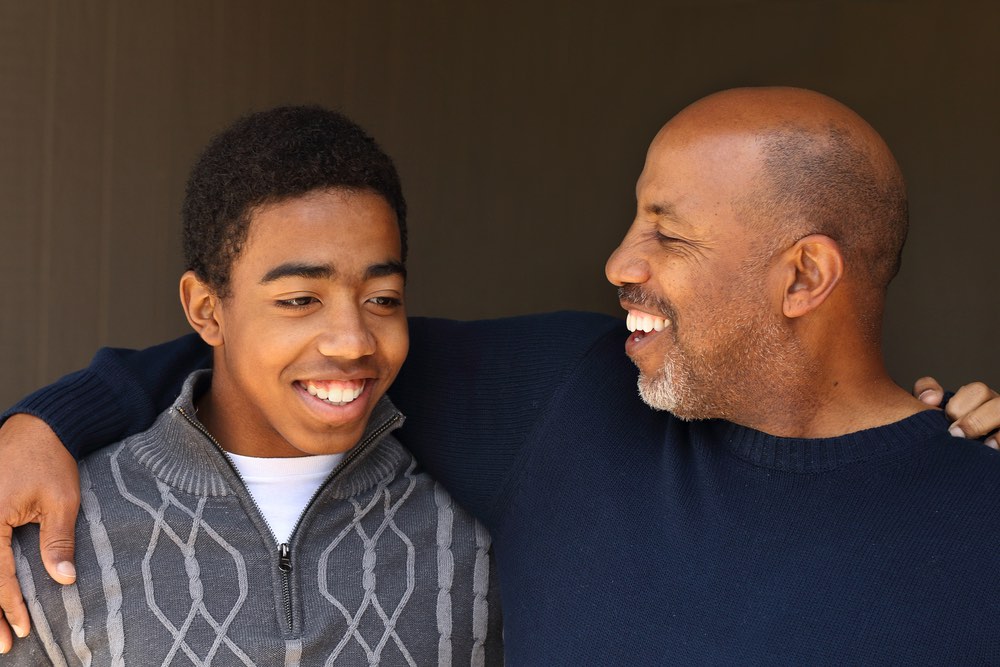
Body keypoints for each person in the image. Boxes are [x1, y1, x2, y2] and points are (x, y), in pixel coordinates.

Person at [2, 87, 1000, 663]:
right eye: (632, 218)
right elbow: (294, 353)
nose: (618, 262)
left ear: (803, 275)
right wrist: (52, 419)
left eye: (668, 233)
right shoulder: (566, 399)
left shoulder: (975, 519)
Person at [0, 106, 501, 665]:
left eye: (381, 299)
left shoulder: (478, 529)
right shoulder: (55, 535)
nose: (353, 341)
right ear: (206, 309)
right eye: (299, 300)